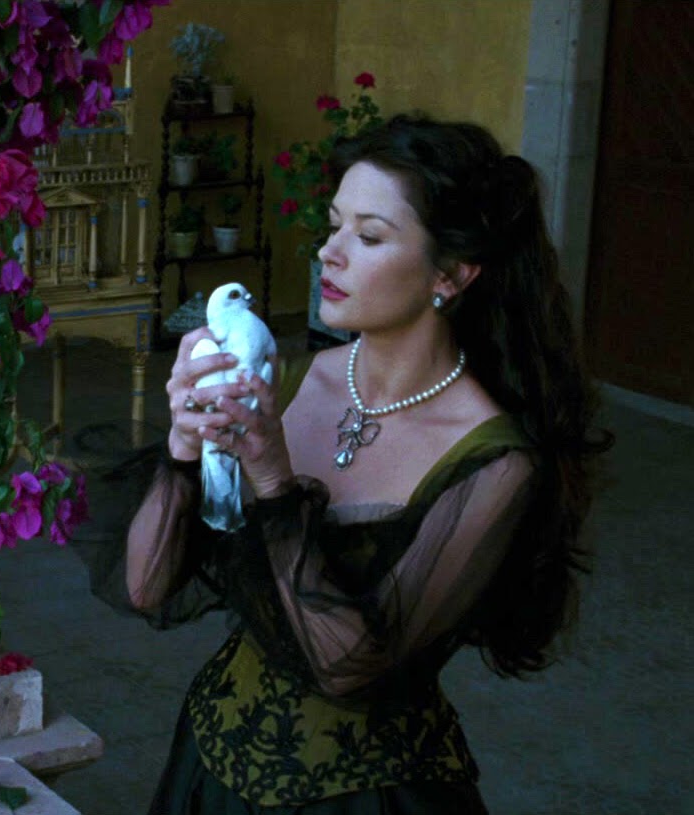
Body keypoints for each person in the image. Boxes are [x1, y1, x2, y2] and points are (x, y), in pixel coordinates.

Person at [105, 114, 612, 814]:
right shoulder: (288, 381)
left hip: (363, 796)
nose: (328, 253)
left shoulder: (494, 464)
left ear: (451, 273)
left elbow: (346, 667)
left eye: (368, 236)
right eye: (333, 224)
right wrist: (185, 447)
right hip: (210, 767)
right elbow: (145, 586)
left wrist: (274, 481)